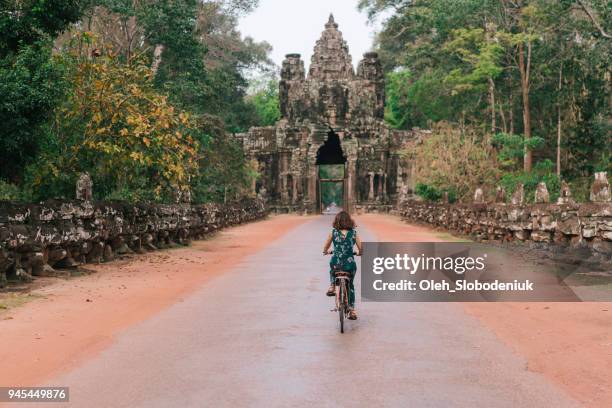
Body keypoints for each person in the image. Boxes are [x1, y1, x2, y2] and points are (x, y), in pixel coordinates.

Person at [322, 211, 362, 320]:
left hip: (337, 263)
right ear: (350, 221)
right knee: (351, 285)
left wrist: (326, 251)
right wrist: (359, 253)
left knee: (332, 269)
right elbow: (361, 248)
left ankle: (332, 286)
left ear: (337, 221)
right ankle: (352, 310)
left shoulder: (333, 233)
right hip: (349, 264)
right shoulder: (354, 233)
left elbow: (325, 247)